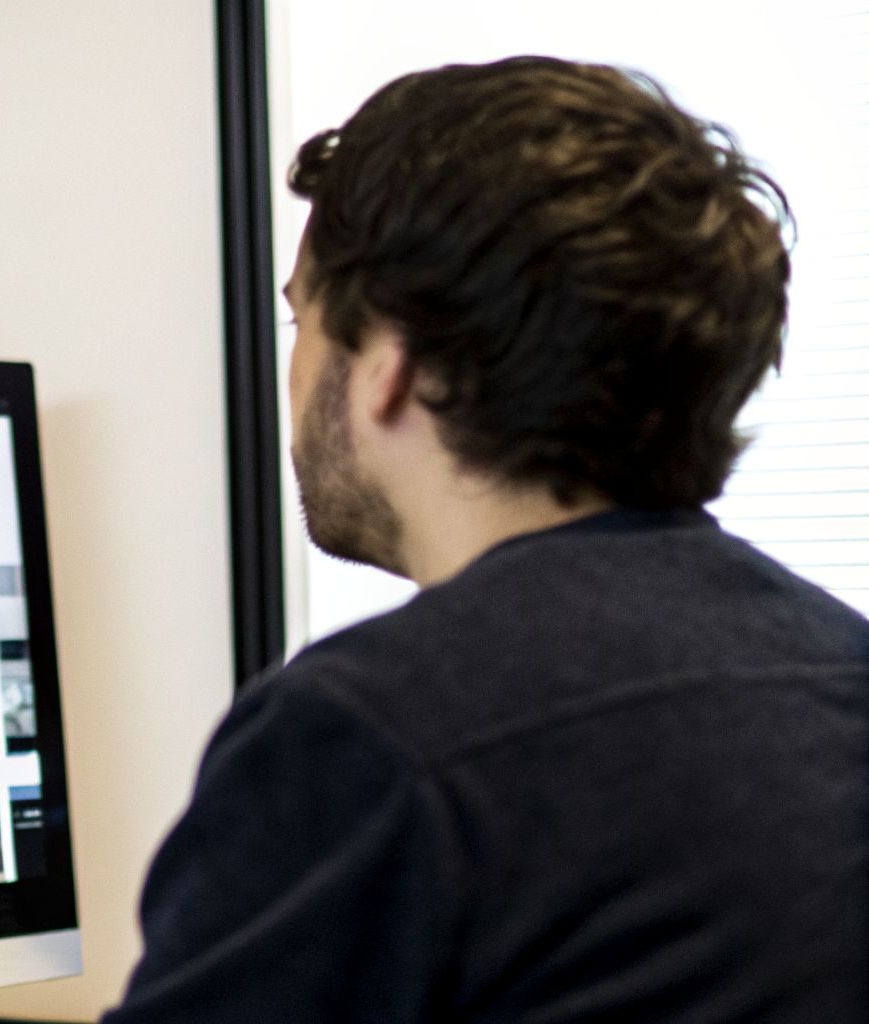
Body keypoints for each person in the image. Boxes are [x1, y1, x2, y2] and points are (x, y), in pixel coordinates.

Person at [105, 57, 869, 1022]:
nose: (293, 379)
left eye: (302, 318)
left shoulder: (363, 737)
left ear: (388, 362)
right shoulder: (843, 672)